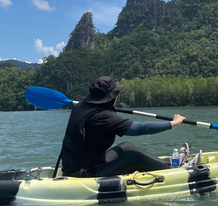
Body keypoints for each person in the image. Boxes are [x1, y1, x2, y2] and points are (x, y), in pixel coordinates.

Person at [60, 76, 190, 178]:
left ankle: (168, 163)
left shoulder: (81, 106)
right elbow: (140, 128)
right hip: (86, 172)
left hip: (77, 165)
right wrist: (173, 123)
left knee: (127, 146)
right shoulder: (104, 117)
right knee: (134, 157)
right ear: (111, 97)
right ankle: (173, 171)